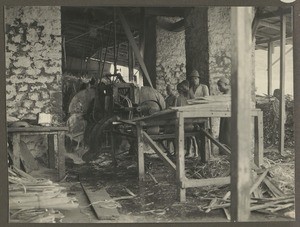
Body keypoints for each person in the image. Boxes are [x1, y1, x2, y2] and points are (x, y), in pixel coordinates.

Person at [217, 77, 231, 152]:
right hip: (224, 115)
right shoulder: (223, 96)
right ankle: (223, 151)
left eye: (220, 86)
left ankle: (229, 150)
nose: (219, 88)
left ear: (226, 85)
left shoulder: (230, 95)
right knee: (223, 132)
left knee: (228, 132)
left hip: (230, 116)